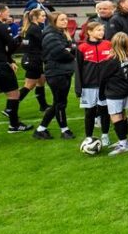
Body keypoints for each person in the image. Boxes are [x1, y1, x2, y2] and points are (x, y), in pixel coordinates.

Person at [0, 3, 30, 135]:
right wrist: (20, 39)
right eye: (7, 12)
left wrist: (10, 60)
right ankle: (14, 125)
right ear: (0, 13)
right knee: (14, 94)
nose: (9, 14)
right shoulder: (1, 26)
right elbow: (11, 45)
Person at [35, 11, 77, 140]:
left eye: (66, 19)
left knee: (58, 103)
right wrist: (71, 54)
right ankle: (64, 130)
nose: (65, 21)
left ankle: (41, 129)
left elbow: (71, 48)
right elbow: (61, 53)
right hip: (56, 72)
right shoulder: (51, 35)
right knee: (60, 103)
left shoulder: (60, 33)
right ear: (54, 21)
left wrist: (69, 50)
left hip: (62, 71)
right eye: (62, 19)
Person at [76, 21, 113, 147]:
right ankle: (88, 137)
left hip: (106, 86)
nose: (101, 32)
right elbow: (78, 69)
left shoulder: (109, 45)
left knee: (104, 111)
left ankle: (105, 135)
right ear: (89, 32)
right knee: (89, 113)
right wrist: (78, 87)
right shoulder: (82, 47)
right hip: (88, 86)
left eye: (102, 30)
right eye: (98, 30)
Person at [101, 32, 128, 155]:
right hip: (125, 91)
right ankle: (126, 140)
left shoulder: (111, 60)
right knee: (122, 115)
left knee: (115, 116)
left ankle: (123, 143)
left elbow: (103, 77)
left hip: (114, 92)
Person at [17, 8, 49, 113]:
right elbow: (43, 43)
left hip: (31, 59)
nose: (44, 18)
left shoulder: (31, 27)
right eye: (42, 16)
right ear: (35, 17)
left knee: (41, 81)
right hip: (33, 61)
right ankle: (10, 108)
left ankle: (43, 106)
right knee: (29, 86)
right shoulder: (34, 28)